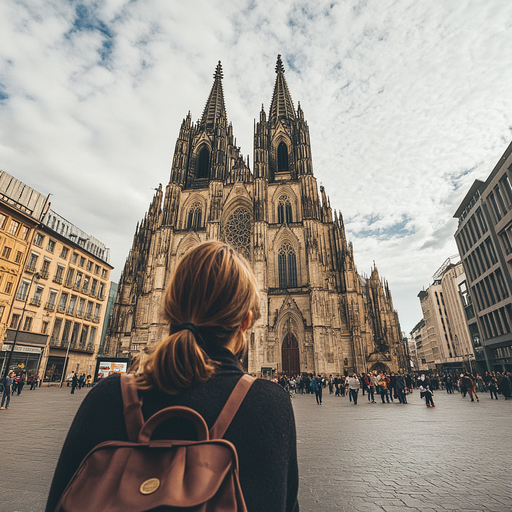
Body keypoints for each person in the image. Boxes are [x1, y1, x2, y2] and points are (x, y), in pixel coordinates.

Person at [45, 241, 299, 512]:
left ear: (169, 308)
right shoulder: (269, 406)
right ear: (246, 321)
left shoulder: (107, 398)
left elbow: (60, 501)